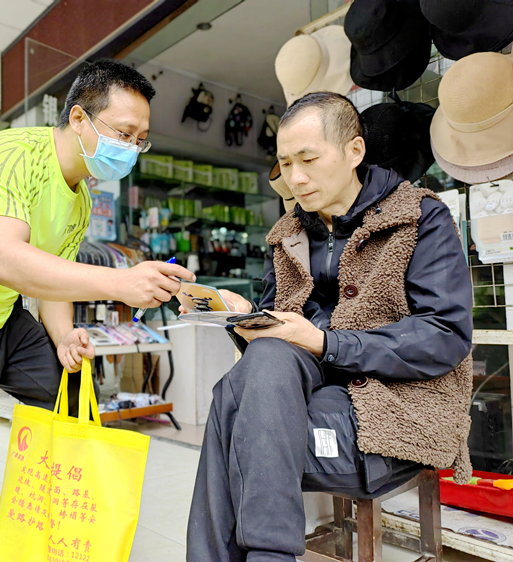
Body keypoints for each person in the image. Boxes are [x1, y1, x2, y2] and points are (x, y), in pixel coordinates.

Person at [0, 59, 194, 562]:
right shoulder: (10, 156)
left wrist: (64, 330)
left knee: (72, 390)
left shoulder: (77, 199)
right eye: (124, 132)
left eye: (142, 138)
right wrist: (121, 281)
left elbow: (51, 277)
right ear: (78, 119)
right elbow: (7, 261)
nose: (133, 148)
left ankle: (51, 527)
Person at [186, 92, 473, 562]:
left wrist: (323, 341)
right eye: (285, 164)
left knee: (233, 413)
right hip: (296, 400)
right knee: (258, 371)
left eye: (309, 159)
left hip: (394, 412)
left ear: (354, 151)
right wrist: (240, 317)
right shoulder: (287, 235)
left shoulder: (420, 218)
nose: (296, 179)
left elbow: (445, 336)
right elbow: (274, 335)